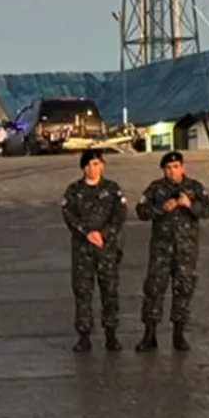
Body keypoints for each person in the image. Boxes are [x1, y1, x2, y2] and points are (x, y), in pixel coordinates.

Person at [135, 150, 209, 351]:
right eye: (168, 168)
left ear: (183, 167)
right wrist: (162, 208)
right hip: (161, 250)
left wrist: (190, 205)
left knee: (183, 289)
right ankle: (150, 334)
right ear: (164, 170)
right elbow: (141, 212)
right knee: (154, 289)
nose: (172, 171)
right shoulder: (155, 189)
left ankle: (179, 334)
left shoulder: (194, 187)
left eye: (176, 167)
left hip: (185, 250)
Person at [60, 148, 129, 352]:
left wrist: (104, 234)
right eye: (89, 165)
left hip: (106, 250)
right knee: (83, 293)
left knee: (109, 292)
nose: (93, 168)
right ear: (84, 168)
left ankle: (111, 334)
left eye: (97, 163)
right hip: (83, 250)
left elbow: (120, 215)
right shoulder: (74, 190)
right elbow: (69, 215)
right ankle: (84, 336)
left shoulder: (112, 189)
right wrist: (87, 233)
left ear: (103, 165)